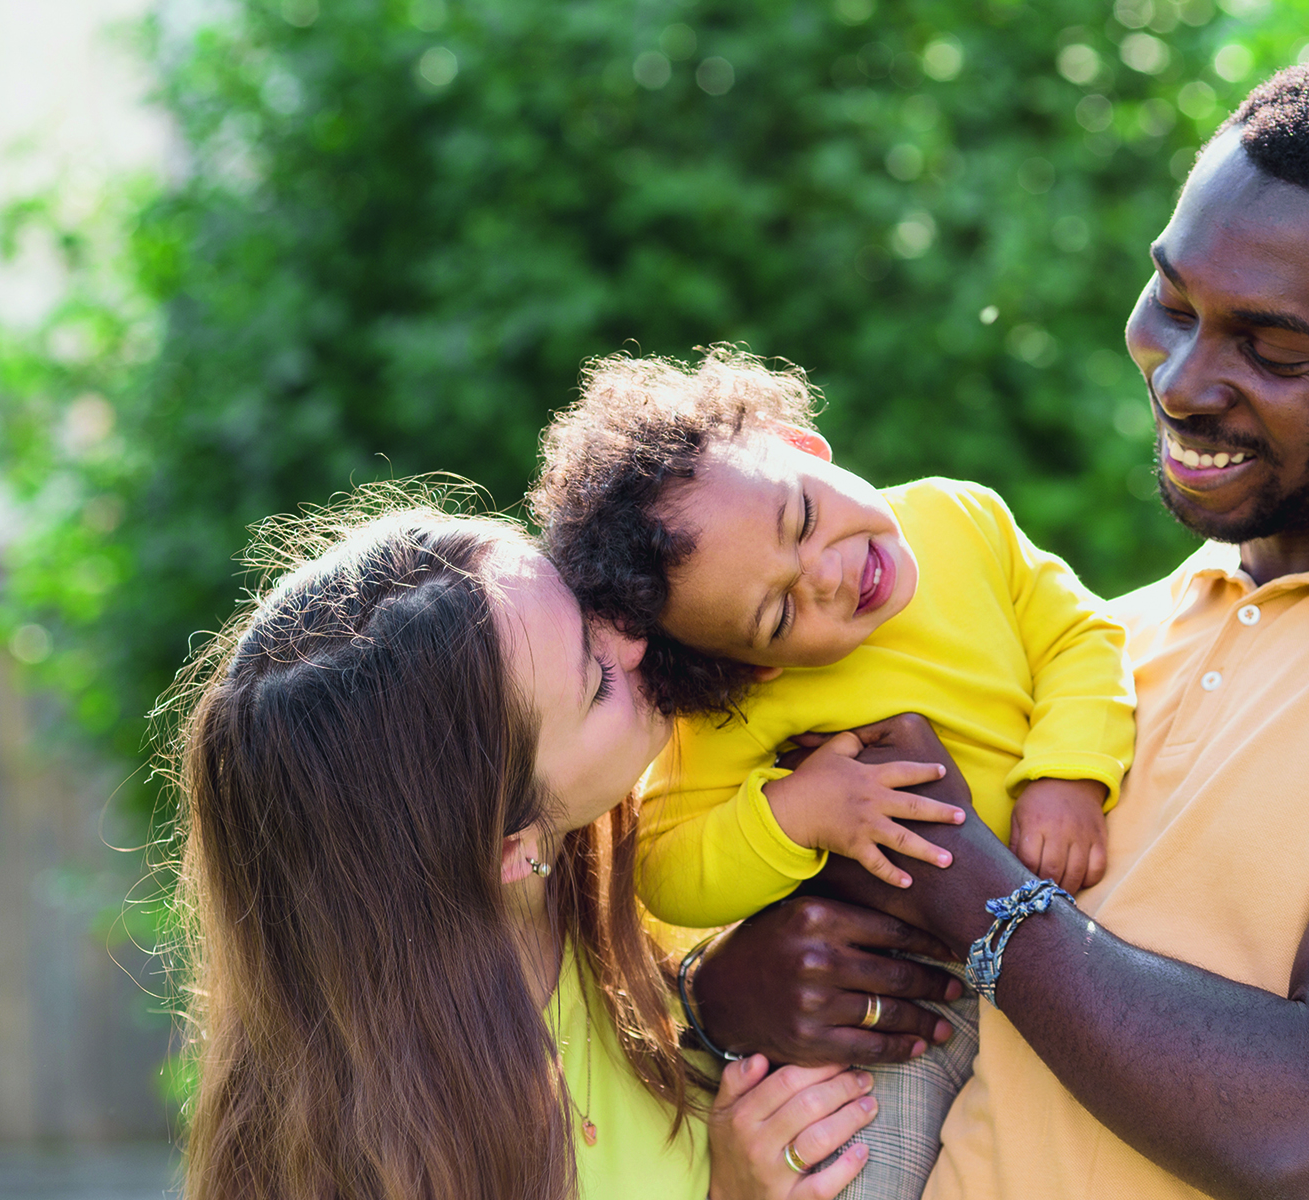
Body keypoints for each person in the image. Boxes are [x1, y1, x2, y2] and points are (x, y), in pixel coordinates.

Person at [683, 58, 1309, 1199]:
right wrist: (734, 992)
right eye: (1174, 301)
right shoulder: (1107, 643)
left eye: (1274, 348)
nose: (1187, 380)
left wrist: (961, 876)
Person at [166, 487, 889, 1200]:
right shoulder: (385, 1165)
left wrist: (713, 995)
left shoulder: (642, 825)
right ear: (507, 849)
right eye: (596, 681)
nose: (636, 637)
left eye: (584, 605)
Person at [529, 351, 1136, 1197]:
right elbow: (667, 868)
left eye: (803, 516)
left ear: (801, 445)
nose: (828, 574)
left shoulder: (963, 518)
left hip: (1078, 938)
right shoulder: (739, 709)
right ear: (757, 664)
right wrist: (792, 815)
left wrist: (1067, 775)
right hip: (902, 1000)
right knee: (849, 1174)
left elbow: (1081, 637)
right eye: (781, 610)